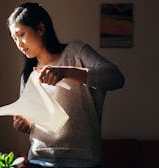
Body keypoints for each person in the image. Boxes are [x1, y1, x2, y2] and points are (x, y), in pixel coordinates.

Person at [8, 2, 125, 168]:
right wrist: (26, 124)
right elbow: (36, 122)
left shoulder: (75, 52)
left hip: (84, 161)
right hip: (39, 160)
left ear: (41, 28)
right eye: (14, 39)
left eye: (21, 34)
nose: (19, 44)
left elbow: (116, 78)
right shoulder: (28, 74)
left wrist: (67, 72)